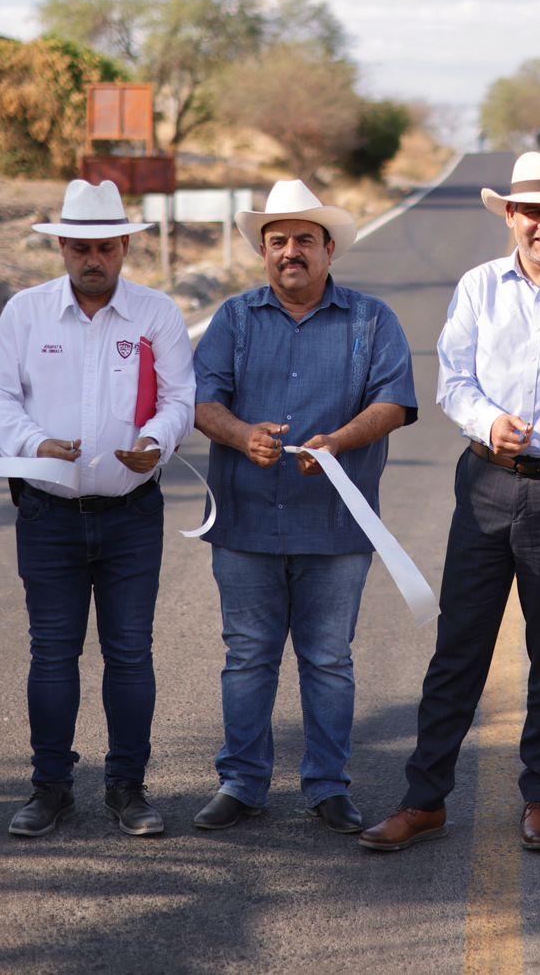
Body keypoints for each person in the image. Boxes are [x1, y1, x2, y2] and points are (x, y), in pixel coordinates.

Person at [360, 151, 540, 852]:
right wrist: (489, 422)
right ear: (510, 216)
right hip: (486, 479)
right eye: (531, 211)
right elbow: (453, 379)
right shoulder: (480, 286)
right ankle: (424, 799)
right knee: (460, 645)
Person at [190, 180, 417, 834]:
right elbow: (203, 402)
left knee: (328, 658)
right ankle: (241, 783)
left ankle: (326, 786)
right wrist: (243, 435)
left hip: (336, 523)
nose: (291, 251)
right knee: (247, 656)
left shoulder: (372, 320)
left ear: (328, 249)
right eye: (278, 240)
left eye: (304, 241)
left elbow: (394, 401)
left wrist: (341, 443)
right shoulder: (232, 319)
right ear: (264, 251)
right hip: (244, 518)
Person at [0, 179, 194, 837]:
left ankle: (128, 788)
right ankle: (51, 789)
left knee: (130, 653)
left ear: (125, 245)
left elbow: (181, 398)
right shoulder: (26, 313)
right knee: (52, 654)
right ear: (62, 247)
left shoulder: (157, 314)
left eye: (104, 246)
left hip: (131, 514)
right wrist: (31, 443)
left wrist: (155, 442)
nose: (91, 258)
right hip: (48, 513)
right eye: (78, 246)